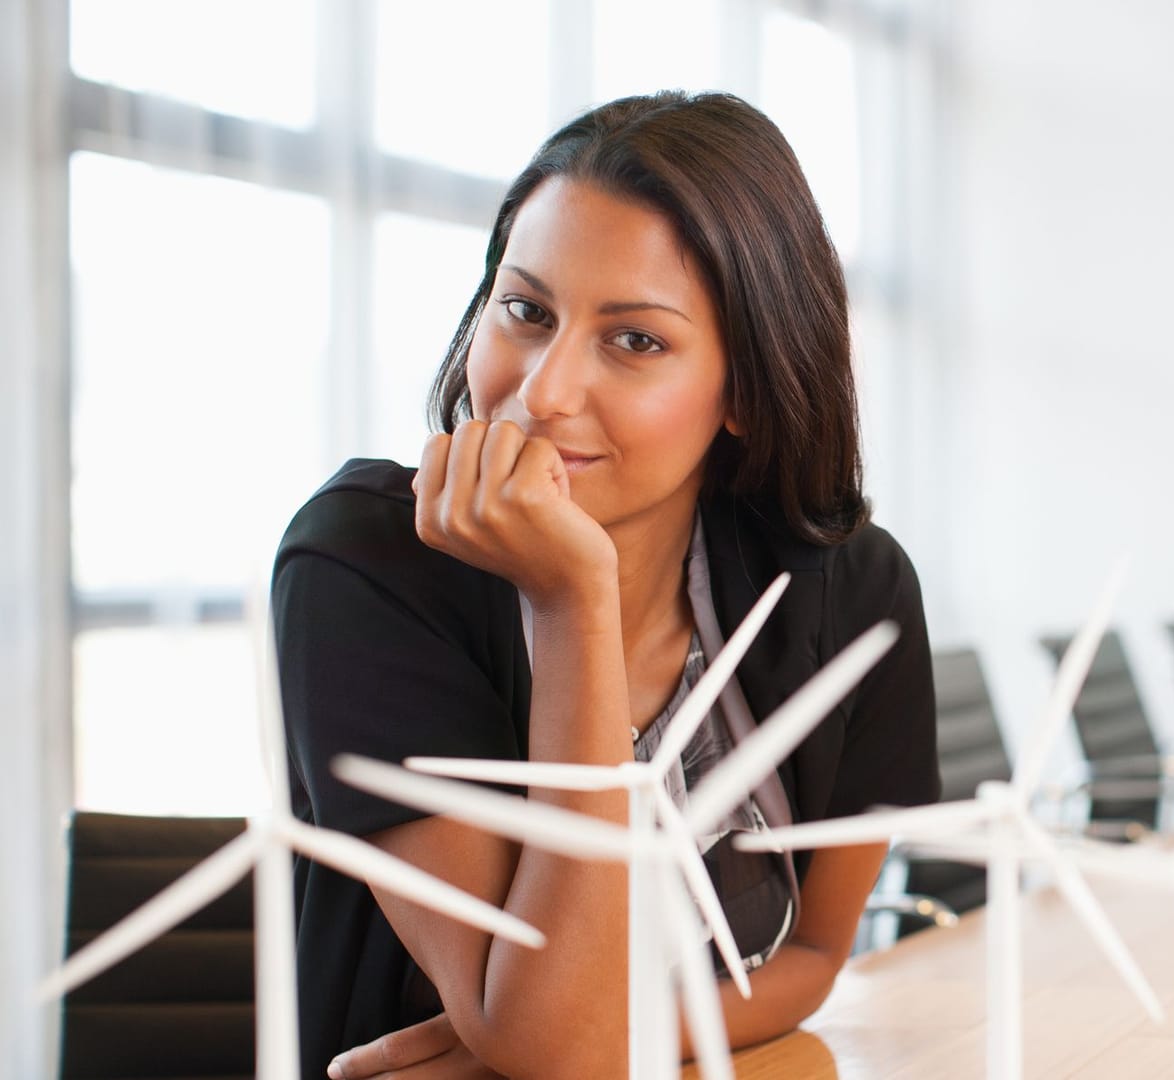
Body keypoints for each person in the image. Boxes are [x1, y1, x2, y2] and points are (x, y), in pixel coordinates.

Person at [271, 91, 939, 1079]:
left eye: (635, 340)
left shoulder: (852, 592)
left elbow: (806, 959)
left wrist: (595, 1039)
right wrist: (572, 599)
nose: (541, 392)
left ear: (749, 389)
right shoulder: (368, 568)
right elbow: (550, 1044)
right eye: (526, 311)